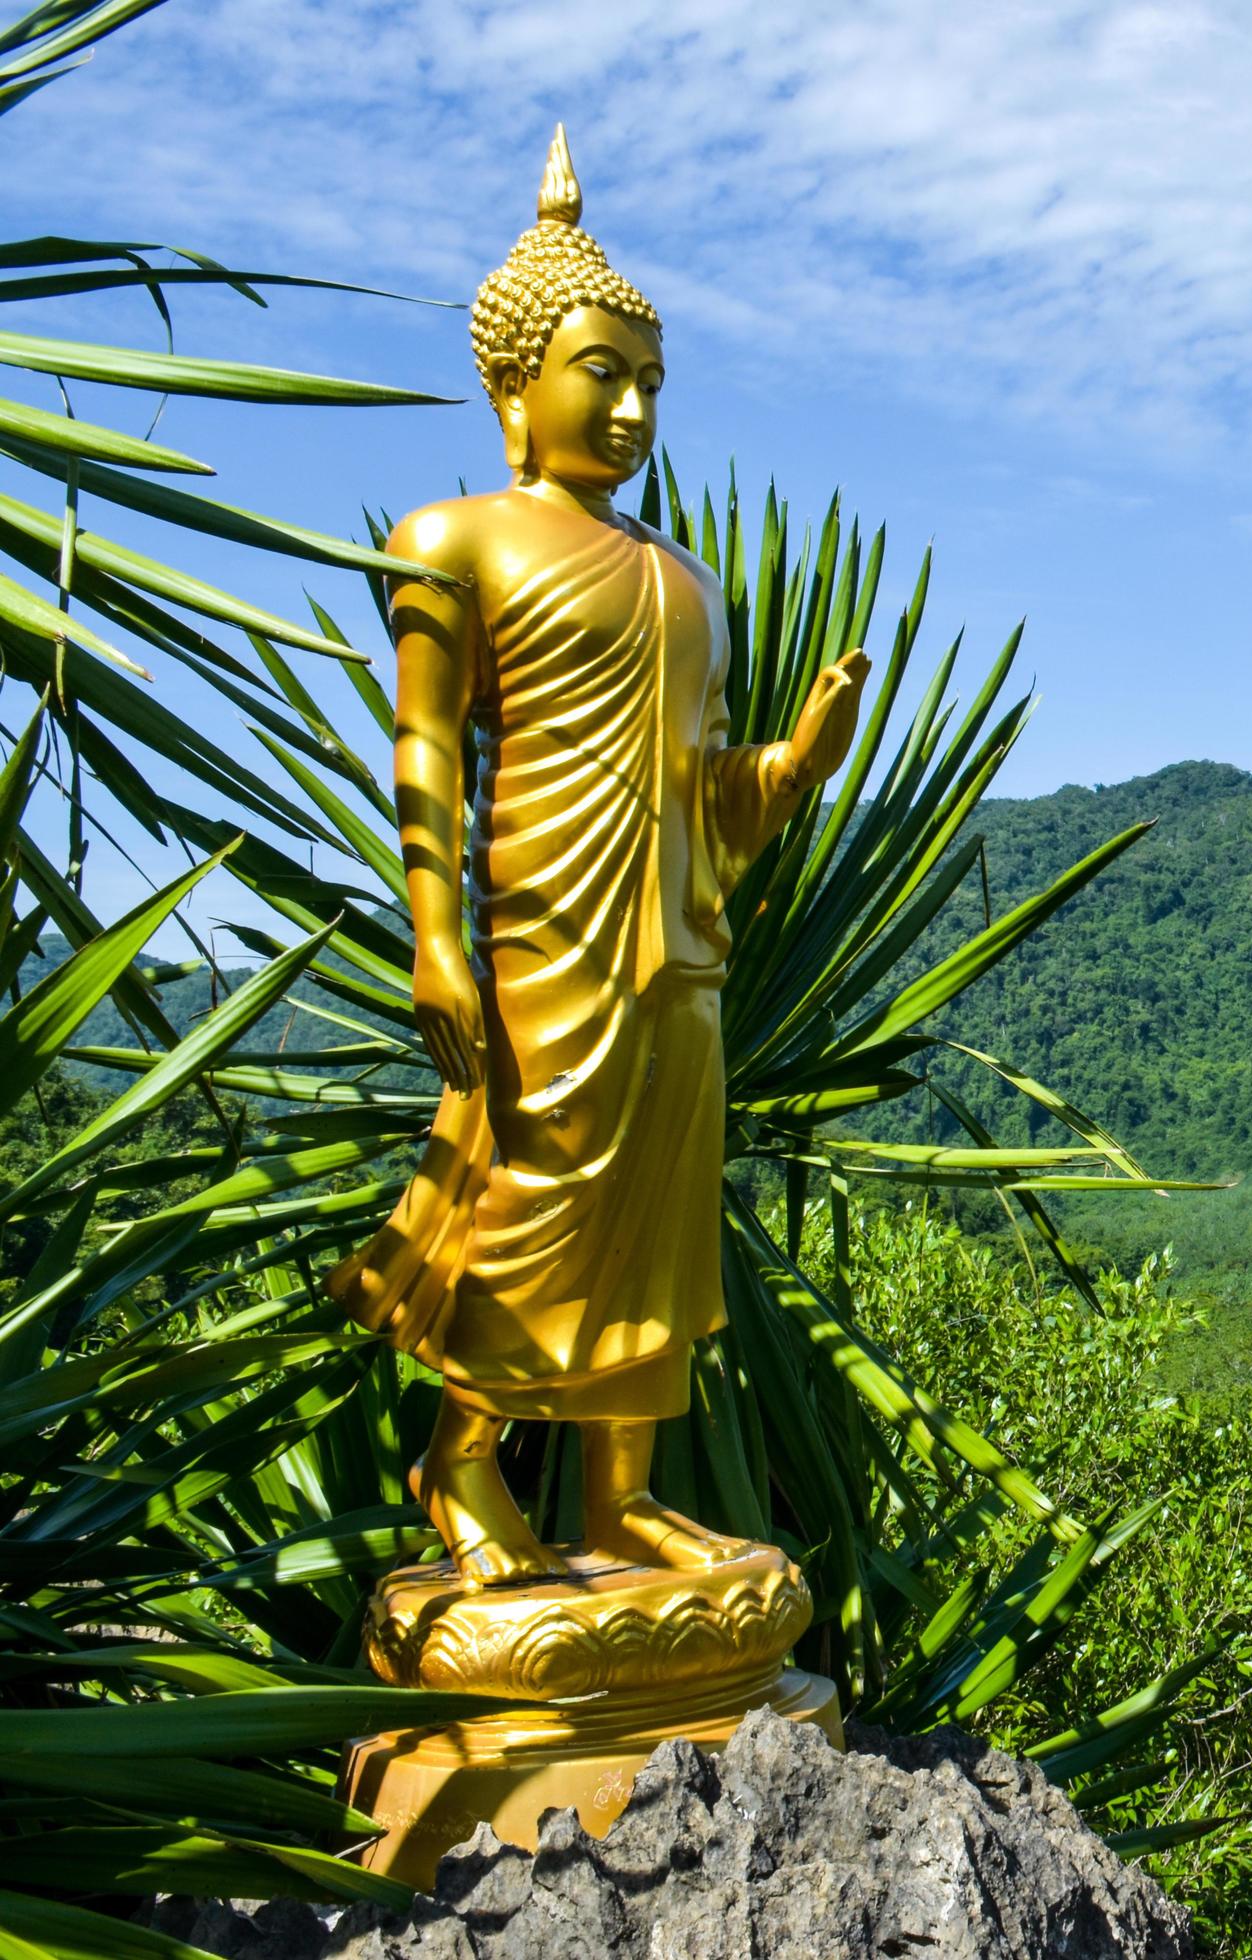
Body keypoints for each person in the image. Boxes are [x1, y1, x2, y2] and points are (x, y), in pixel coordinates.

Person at [331, 129, 870, 1589]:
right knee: (539, 1186)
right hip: (538, 935)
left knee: (657, 1227)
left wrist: (796, 765)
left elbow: (711, 801)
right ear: (514, 387)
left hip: (675, 956)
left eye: (649, 383)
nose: (631, 409)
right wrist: (439, 939)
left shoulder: (683, 581)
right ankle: (459, 1461)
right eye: (601, 375)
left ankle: (619, 1498)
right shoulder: (454, 544)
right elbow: (429, 757)